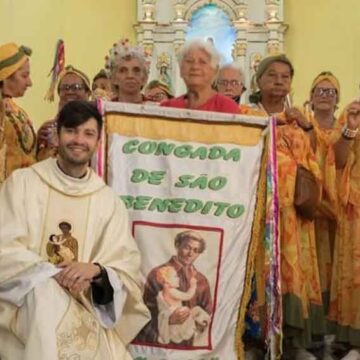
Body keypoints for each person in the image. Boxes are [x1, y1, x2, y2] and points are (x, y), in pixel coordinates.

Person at [0, 100, 150, 359]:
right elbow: (4, 248)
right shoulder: (23, 184)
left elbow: (127, 267)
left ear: (98, 142)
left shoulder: (107, 201)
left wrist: (97, 270)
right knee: (44, 294)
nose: (79, 140)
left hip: (85, 305)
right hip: (24, 305)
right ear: (58, 135)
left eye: (88, 133)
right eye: (71, 131)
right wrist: (50, 274)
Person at [242, 54, 324, 360]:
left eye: (285, 77)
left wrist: (308, 131)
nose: (279, 81)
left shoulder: (301, 121)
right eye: (272, 75)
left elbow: (313, 164)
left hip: (291, 216)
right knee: (255, 271)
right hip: (256, 213)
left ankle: (291, 339)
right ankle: (253, 340)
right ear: (259, 80)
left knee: (291, 273)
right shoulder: (245, 115)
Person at [137, 230, 212, 347]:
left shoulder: (201, 280)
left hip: (190, 345)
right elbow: (142, 311)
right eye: (187, 247)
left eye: (196, 250)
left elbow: (207, 312)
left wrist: (201, 323)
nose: (190, 254)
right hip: (161, 345)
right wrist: (168, 320)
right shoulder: (158, 275)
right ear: (177, 245)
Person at [328, 100, 360, 360]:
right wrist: (351, 129)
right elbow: (337, 161)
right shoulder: (352, 113)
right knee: (354, 273)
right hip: (355, 206)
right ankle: (353, 340)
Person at [160, 39, 239, 113]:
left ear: (215, 71)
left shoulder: (227, 108)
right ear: (180, 69)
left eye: (202, 62)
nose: (195, 67)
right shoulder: (167, 108)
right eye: (189, 61)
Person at [37, 65, 91, 160]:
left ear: (88, 93)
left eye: (76, 87)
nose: (70, 92)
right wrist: (37, 141)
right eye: (65, 88)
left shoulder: (96, 125)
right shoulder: (48, 128)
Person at [0, 42, 36, 183]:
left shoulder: (18, 112)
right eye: (24, 75)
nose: (30, 83)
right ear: (5, 76)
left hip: (22, 193)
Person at [155, 265, 210, 346]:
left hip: (174, 324)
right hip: (179, 323)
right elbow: (187, 296)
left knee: (196, 311)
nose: (178, 278)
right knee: (196, 310)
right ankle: (198, 325)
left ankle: (199, 324)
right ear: (166, 281)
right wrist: (193, 285)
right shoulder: (172, 291)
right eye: (175, 276)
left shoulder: (162, 293)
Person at [105, 38, 149, 104]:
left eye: (136, 70)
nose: (130, 76)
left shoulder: (158, 110)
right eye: (123, 71)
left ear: (144, 78)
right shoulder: (103, 111)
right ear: (114, 78)